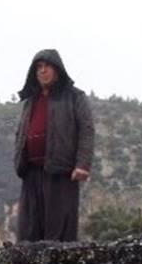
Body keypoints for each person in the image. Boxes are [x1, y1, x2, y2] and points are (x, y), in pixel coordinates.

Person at [13, 50, 95, 242]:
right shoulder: (30, 101)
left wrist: (82, 164)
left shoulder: (74, 97)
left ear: (57, 70)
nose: (43, 71)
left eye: (47, 66)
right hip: (31, 173)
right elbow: (21, 132)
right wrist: (18, 160)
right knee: (28, 232)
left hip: (60, 174)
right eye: (39, 67)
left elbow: (87, 130)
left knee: (58, 234)